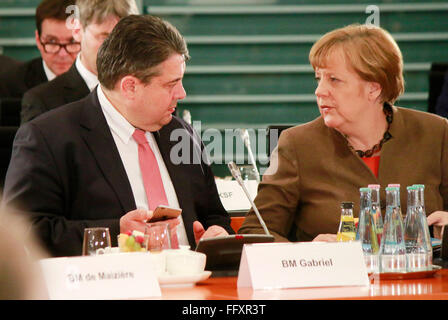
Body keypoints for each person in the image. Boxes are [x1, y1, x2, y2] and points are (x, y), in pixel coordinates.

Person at [2, 14, 233, 257]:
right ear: (130, 86)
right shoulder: (48, 138)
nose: (182, 93)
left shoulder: (181, 134)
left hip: (195, 288)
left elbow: (215, 215)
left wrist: (217, 231)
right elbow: (21, 231)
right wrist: (116, 232)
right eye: (170, 84)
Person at [239, 24, 448, 242]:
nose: (319, 91)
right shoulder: (296, 144)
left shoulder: (436, 133)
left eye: (334, 80)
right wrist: (306, 252)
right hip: (332, 276)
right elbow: (255, 233)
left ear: (373, 88)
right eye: (318, 78)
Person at [20, 0, 139, 124]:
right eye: (104, 37)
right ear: (77, 30)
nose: (116, 47)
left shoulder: (146, 90)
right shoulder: (42, 101)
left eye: (124, 37)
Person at [0, 0, 79, 99]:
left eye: (72, 42)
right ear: (38, 40)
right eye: (52, 41)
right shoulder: (9, 85)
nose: (62, 54)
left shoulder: (100, 82)